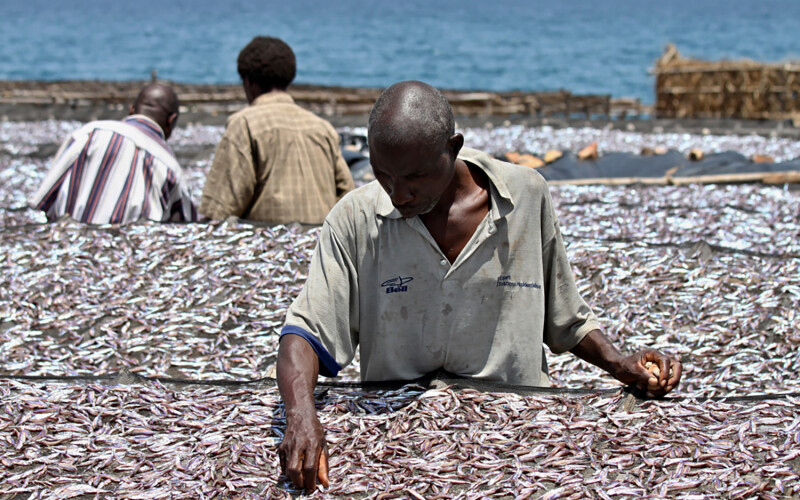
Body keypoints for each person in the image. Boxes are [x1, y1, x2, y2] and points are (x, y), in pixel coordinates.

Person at [275, 81, 683, 490]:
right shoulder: (355, 219)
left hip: (520, 438)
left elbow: (564, 318)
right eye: (383, 174)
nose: (398, 193)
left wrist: (617, 363)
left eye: (415, 175)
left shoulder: (525, 196)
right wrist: (301, 415)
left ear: (453, 149)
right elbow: (305, 333)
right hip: (402, 444)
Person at [199, 36, 354, 224]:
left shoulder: (244, 125)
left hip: (270, 246)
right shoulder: (322, 128)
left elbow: (220, 209)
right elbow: (347, 196)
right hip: (320, 246)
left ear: (248, 82)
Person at [29, 83, 196, 224]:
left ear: (131, 110)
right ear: (171, 120)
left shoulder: (88, 133)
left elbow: (44, 200)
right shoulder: (171, 167)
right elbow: (183, 229)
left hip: (66, 244)